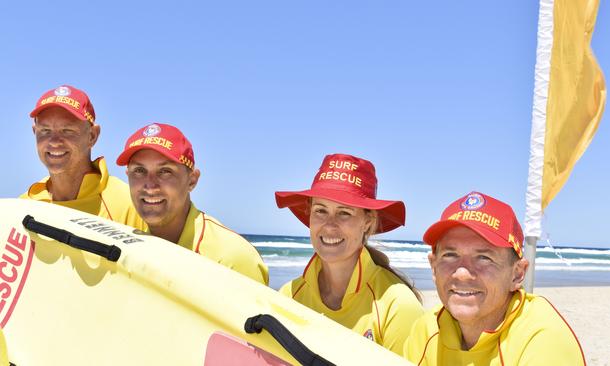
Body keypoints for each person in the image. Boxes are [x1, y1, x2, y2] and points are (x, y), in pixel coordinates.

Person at [404, 191, 585, 365]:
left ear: (518, 274)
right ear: (433, 267)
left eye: (484, 258)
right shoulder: (427, 329)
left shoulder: (542, 340)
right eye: (450, 255)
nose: (462, 274)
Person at [276, 153, 424, 355]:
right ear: (309, 214)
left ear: (367, 223)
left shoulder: (397, 305)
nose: (330, 225)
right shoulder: (289, 295)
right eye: (321, 211)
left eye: (344, 213)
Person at [116, 123, 268, 285]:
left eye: (165, 171)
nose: (150, 185)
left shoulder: (232, 259)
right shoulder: (129, 250)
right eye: (139, 171)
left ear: (192, 180)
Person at [22, 85, 145, 230]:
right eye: (45, 131)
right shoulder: (24, 204)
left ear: (92, 136)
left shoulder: (129, 205)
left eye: (67, 130)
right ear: (34, 132)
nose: (54, 141)